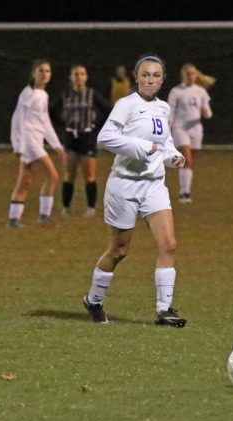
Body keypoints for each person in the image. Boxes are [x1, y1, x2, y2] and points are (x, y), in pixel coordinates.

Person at [82, 54, 188, 327]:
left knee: (169, 244)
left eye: (155, 75)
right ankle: (93, 300)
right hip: (124, 185)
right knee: (118, 250)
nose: (150, 79)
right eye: (145, 74)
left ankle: (164, 310)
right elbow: (105, 138)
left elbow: (164, 143)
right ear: (136, 77)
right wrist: (141, 148)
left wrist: (173, 156)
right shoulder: (126, 105)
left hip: (154, 185)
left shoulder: (164, 108)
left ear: (163, 80)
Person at [8, 59, 65, 228]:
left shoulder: (43, 94)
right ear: (33, 73)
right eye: (41, 70)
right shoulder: (29, 93)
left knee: (25, 180)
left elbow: (44, 121)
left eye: (47, 71)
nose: (44, 74)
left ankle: (13, 219)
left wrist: (56, 144)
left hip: (35, 141)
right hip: (30, 142)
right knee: (53, 176)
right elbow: (18, 118)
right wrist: (17, 145)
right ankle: (43, 216)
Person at [50, 64, 111, 217]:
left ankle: (90, 208)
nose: (79, 77)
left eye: (82, 74)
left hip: (87, 137)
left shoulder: (92, 95)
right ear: (71, 77)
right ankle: (66, 207)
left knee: (89, 175)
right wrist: (63, 125)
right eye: (75, 74)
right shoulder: (65, 95)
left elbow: (109, 110)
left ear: (86, 77)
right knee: (69, 174)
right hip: (71, 137)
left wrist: (96, 127)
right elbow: (51, 111)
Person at [167, 63, 214, 203]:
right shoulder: (176, 91)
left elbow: (208, 113)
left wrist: (206, 112)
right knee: (186, 159)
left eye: (193, 73)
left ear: (196, 75)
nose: (190, 76)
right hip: (180, 128)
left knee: (191, 162)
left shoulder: (201, 91)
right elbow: (170, 112)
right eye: (187, 73)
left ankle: (185, 188)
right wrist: (167, 130)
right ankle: (184, 193)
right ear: (183, 75)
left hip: (196, 128)